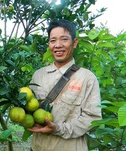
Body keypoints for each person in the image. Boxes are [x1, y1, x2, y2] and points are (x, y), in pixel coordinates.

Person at [28, 20, 102, 151]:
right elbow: (29, 108)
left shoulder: (87, 78)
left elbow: (92, 119)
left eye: (64, 39)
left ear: (74, 43)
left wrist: (58, 129)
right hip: (38, 147)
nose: (58, 45)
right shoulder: (38, 75)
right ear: (49, 44)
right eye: (52, 40)